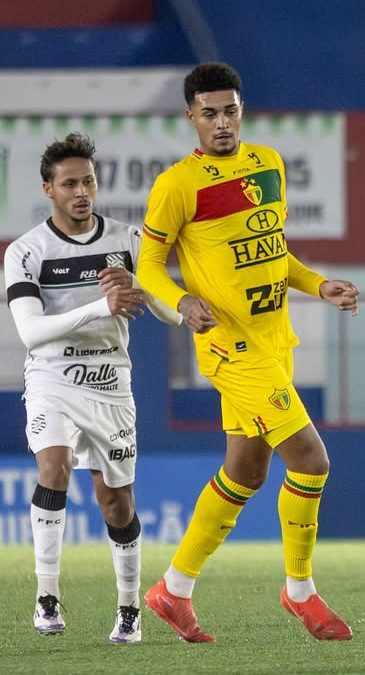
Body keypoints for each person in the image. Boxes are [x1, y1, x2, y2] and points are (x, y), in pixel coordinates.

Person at [136, 62, 359, 643]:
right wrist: (182, 301)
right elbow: (148, 267)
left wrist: (318, 285)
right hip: (229, 348)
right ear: (191, 116)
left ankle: (173, 589)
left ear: (242, 111)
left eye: (229, 111)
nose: (222, 122)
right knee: (310, 460)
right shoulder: (177, 185)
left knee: (246, 470)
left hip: (274, 340)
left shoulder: (268, 164)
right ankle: (300, 591)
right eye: (209, 113)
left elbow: (274, 252)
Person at [5, 132, 182, 642]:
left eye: (88, 181)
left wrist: (149, 292)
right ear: (48, 189)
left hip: (110, 379)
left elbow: (167, 308)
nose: (81, 192)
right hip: (52, 377)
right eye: (69, 184)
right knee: (53, 466)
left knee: (116, 503)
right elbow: (31, 331)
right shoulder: (26, 251)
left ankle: (129, 608)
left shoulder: (129, 241)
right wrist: (101, 305)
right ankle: (46, 596)